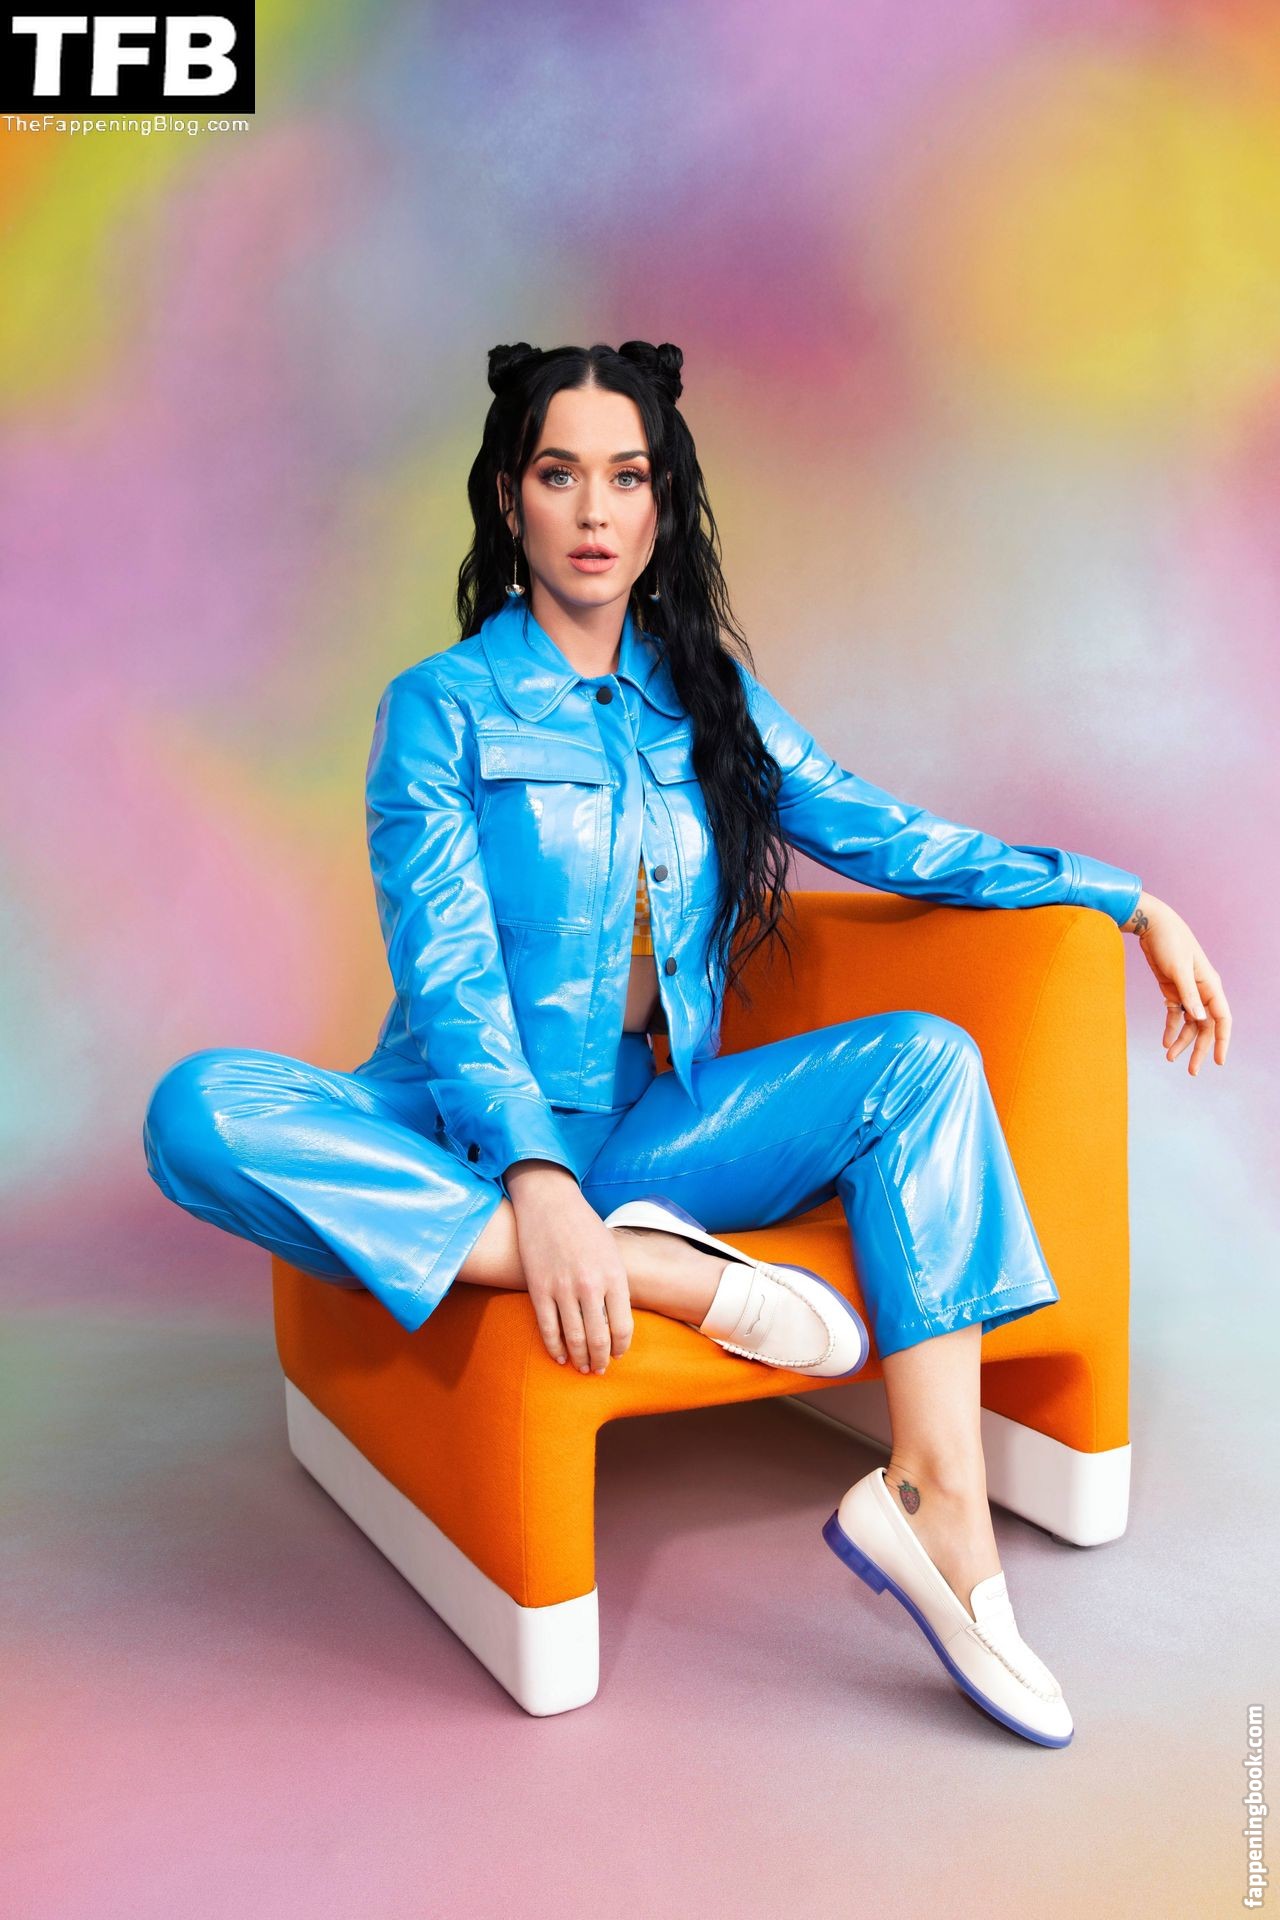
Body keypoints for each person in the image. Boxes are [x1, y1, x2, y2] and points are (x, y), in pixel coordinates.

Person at [142, 338, 1231, 1747]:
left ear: (662, 506)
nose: (594, 511)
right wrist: (536, 1180)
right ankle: (658, 1269)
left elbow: (889, 835)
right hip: (447, 1125)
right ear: (510, 498)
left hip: (653, 1125)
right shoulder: (441, 708)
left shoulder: (707, 697)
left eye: (627, 477)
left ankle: (937, 1505)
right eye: (559, 475)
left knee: (926, 1061)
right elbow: (449, 971)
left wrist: (1124, 898)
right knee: (197, 1109)